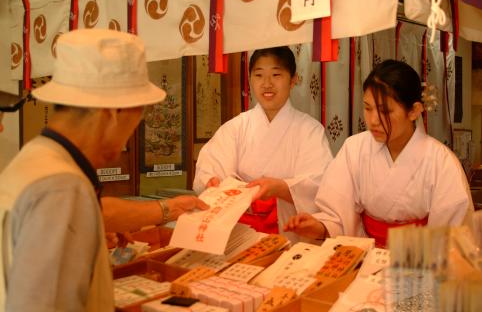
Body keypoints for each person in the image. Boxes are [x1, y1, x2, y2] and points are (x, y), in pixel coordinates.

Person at [0, 29, 206, 312]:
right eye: (137, 117)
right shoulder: (62, 188)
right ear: (112, 113)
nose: (131, 135)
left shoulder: (36, 158)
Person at [284, 59, 473, 247]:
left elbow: (452, 238)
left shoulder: (441, 162)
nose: (373, 120)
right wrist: (319, 227)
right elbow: (336, 215)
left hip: (419, 264)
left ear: (414, 111)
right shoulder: (354, 149)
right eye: (367, 108)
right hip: (363, 256)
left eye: (385, 110)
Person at [193, 46, 333, 242]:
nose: (267, 84)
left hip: (288, 230)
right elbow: (209, 170)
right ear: (250, 79)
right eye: (259, 75)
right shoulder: (235, 127)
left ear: (293, 80)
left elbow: (318, 184)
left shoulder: (309, 130)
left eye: (276, 75)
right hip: (236, 230)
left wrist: (280, 187)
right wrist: (211, 181)